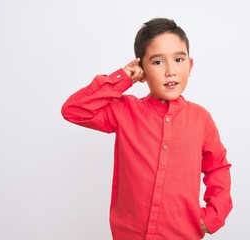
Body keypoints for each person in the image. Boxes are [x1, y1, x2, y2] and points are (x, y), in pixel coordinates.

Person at [61, 17, 232, 240]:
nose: (170, 71)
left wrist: (213, 216)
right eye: (158, 62)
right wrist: (123, 78)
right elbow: (74, 110)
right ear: (142, 69)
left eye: (178, 59)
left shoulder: (201, 118)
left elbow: (217, 167)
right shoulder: (125, 111)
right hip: (129, 234)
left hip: (182, 234)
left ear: (190, 66)